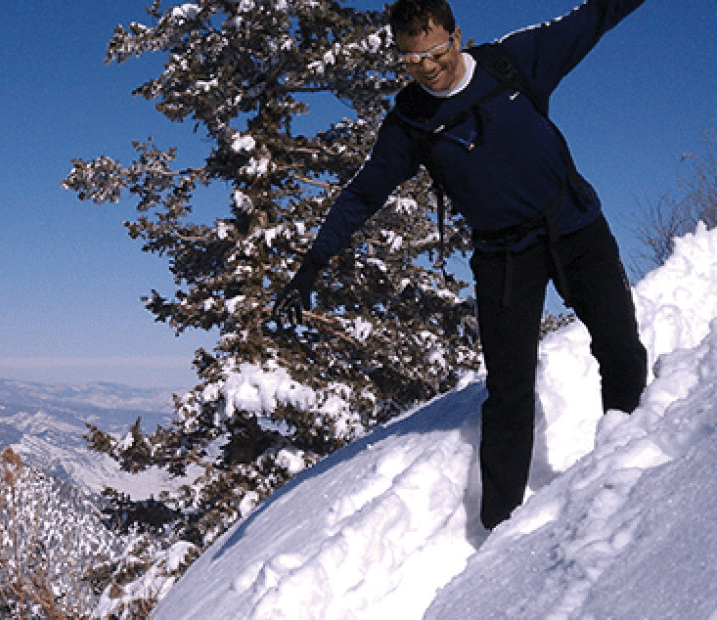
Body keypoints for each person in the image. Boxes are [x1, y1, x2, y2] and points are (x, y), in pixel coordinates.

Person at [273, 0, 649, 531]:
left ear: (456, 35)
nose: (426, 66)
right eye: (410, 58)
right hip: (503, 256)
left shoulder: (511, 62)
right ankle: (500, 525)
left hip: (574, 225)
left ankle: (626, 466)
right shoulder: (410, 121)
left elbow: (594, 17)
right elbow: (363, 194)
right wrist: (313, 262)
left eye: (435, 50)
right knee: (509, 391)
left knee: (620, 347)